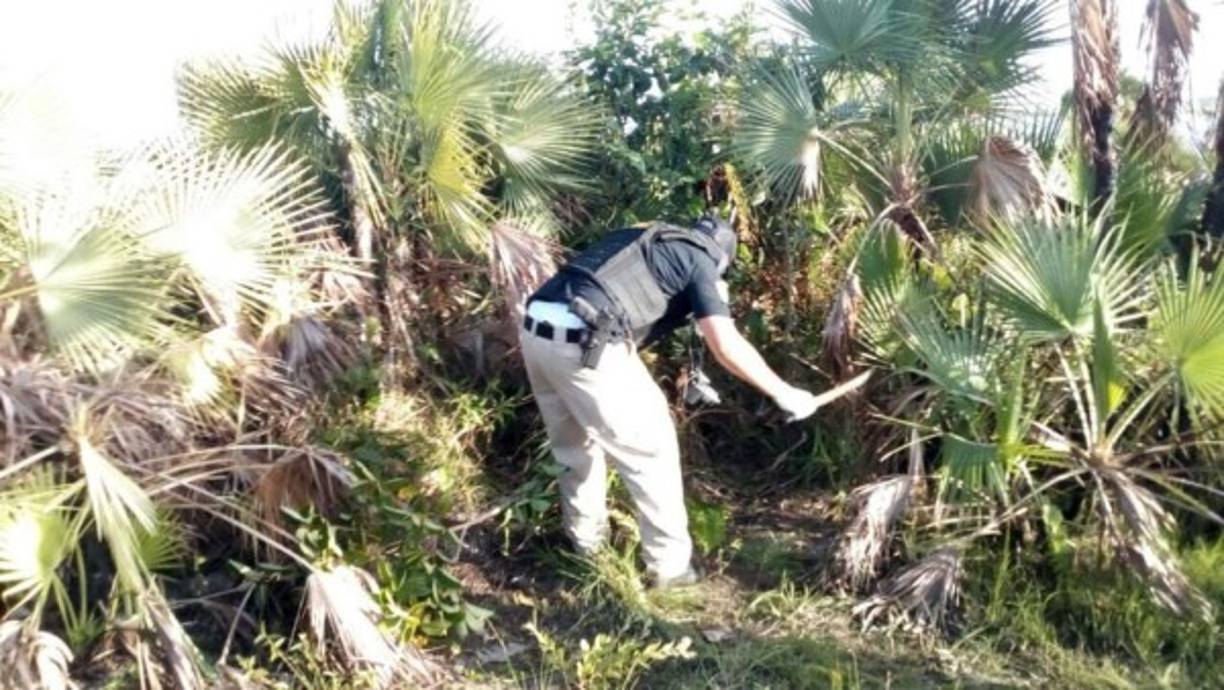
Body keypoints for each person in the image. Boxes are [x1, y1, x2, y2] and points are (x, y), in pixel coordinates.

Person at [519, 217, 821, 588]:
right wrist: (783, 392)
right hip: (585, 344)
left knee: (575, 448)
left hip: (536, 330)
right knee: (652, 448)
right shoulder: (701, 261)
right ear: (722, 256)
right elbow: (725, 346)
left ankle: (585, 548)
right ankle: (670, 568)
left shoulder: (645, 235)